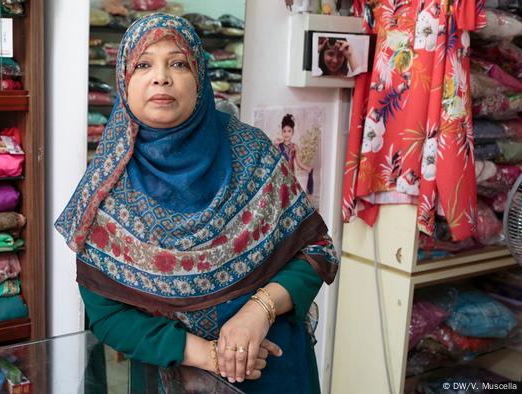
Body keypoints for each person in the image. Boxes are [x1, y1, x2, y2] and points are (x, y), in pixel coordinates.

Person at [56, 13, 338, 394]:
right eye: (143, 64)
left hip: (270, 368)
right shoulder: (108, 185)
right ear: (124, 81)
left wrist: (260, 310)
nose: (161, 77)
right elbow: (107, 315)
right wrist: (205, 354)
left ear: (200, 78)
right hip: (171, 374)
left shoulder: (253, 154)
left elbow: (318, 250)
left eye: (178, 63)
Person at [277, 114, 314, 195]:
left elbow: (299, 163)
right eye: (284, 131)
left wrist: (308, 168)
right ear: (282, 132)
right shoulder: (278, 147)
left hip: (291, 178)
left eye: (289, 131)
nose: (286, 134)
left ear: (293, 132)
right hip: (280, 177)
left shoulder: (294, 147)